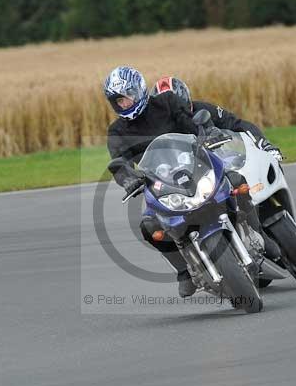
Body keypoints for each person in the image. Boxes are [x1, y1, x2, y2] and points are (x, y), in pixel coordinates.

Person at [104, 66, 278, 298]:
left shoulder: (166, 102)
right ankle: (184, 272)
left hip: (197, 166)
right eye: (118, 101)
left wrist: (209, 132)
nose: (123, 104)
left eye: (126, 98)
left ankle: (258, 233)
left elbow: (191, 123)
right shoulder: (116, 131)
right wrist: (127, 179)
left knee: (237, 180)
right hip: (161, 185)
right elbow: (118, 162)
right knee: (149, 227)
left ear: (139, 90)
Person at [151, 76, 283, 163]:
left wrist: (264, 144)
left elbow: (235, 123)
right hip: (180, 177)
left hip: (217, 162)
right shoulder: (153, 126)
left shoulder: (202, 109)